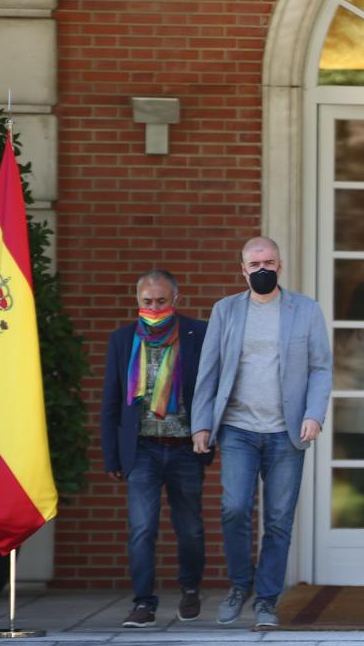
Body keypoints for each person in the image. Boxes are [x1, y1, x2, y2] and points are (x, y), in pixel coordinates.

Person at [191, 237, 332, 629]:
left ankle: (267, 600)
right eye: (255, 264)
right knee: (234, 508)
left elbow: (321, 367)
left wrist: (314, 413)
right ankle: (240, 585)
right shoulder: (226, 311)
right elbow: (209, 369)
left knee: (279, 519)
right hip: (237, 428)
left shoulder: (305, 310)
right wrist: (201, 424)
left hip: (286, 432)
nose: (262, 269)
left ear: (280, 265)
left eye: (269, 262)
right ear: (243, 269)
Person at [100, 269, 209, 628]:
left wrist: (210, 438)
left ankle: (190, 589)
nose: (155, 306)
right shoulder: (122, 339)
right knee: (142, 528)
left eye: (161, 301)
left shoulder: (198, 334)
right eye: (147, 301)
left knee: (190, 528)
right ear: (138, 301)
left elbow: (212, 389)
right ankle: (143, 603)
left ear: (175, 300)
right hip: (142, 448)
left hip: (185, 448)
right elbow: (112, 401)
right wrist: (112, 455)